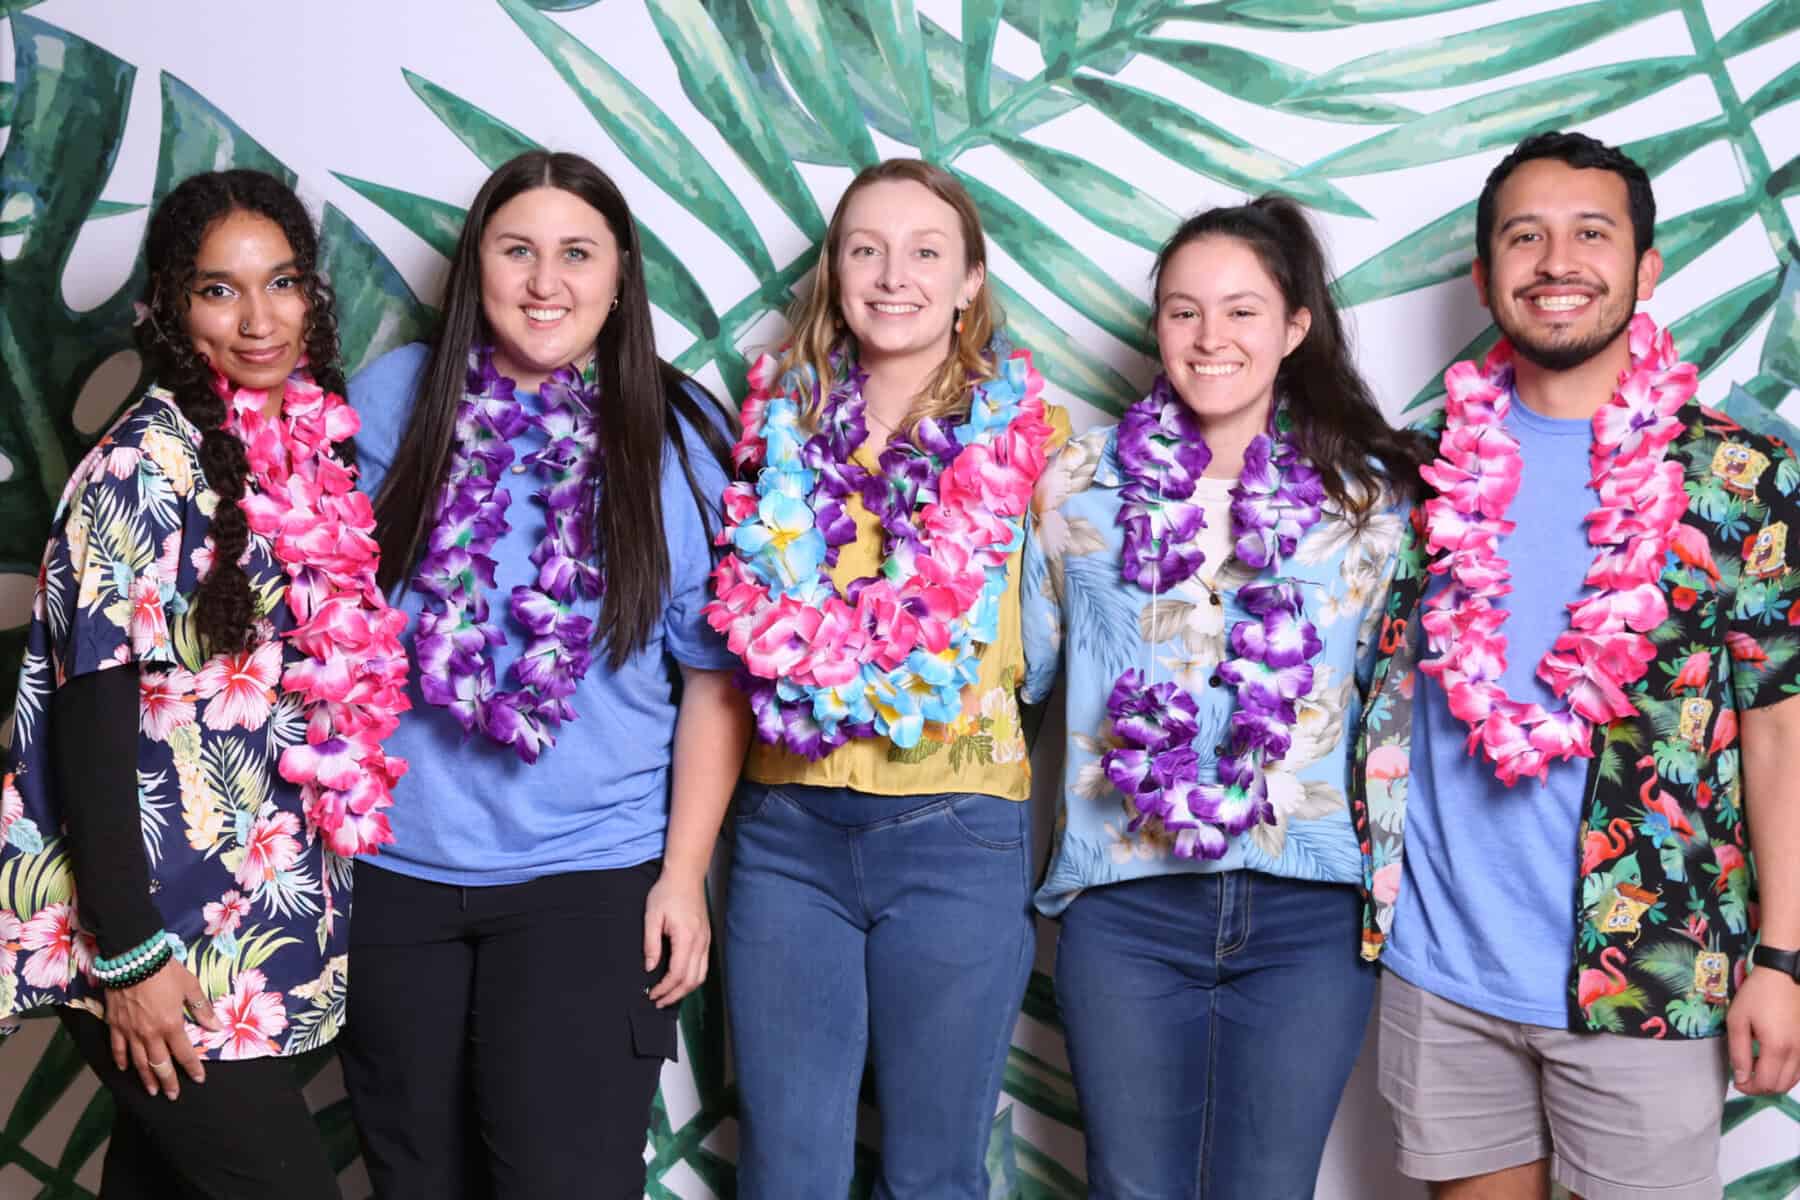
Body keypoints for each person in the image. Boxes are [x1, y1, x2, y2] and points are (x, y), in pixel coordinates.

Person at [1358, 130, 1800, 1200]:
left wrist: (1784, 961)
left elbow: (1782, 730)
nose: (1557, 262)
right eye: (1525, 237)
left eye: (1591, 234)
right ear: (1484, 276)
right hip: (1443, 969)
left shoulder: (1739, 479)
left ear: (1645, 269)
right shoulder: (1427, 472)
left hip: (1648, 970)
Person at [336, 150, 749, 1199]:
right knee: (415, 1184)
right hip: (396, 875)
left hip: (588, 879)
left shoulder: (676, 432)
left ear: (620, 273)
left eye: (577, 253)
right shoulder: (395, 401)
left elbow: (712, 680)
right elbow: (322, 613)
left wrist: (682, 877)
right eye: (517, 250)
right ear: (477, 264)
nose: (544, 282)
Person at [0, 168, 408, 1197]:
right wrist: (131, 958)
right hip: (155, 931)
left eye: (282, 283)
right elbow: (90, 726)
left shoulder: (292, 452)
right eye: (220, 290)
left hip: (239, 921)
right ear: (173, 306)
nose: (259, 320)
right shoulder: (142, 465)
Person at [1020, 195, 1424, 1198]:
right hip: (1126, 903)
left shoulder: (1371, 503)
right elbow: (1022, 675)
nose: (1210, 337)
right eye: (1183, 310)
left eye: (1242, 311)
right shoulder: (1075, 485)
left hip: (1307, 914)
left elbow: (1400, 709)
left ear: (1294, 328)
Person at [704, 158, 1065, 1199]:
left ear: (969, 282)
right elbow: (729, 647)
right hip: (787, 835)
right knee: (788, 1174)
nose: (894, 275)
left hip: (958, 832)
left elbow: (1069, 648)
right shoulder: (774, 429)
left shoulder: (1033, 439)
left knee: (933, 1177)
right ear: (836, 272)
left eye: (925, 252)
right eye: (867, 249)